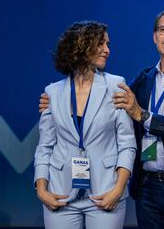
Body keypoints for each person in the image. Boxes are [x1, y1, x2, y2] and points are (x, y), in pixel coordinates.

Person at [39, 7, 164, 229]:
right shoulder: (143, 79)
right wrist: (53, 103)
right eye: (163, 29)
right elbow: (104, 106)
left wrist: (142, 115)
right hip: (148, 189)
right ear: (154, 36)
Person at [34, 21, 136, 229]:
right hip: (60, 193)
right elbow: (44, 147)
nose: (107, 50)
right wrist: (41, 190)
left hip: (105, 192)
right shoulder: (52, 92)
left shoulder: (115, 85)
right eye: (100, 43)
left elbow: (127, 143)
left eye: (108, 44)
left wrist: (117, 190)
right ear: (80, 46)